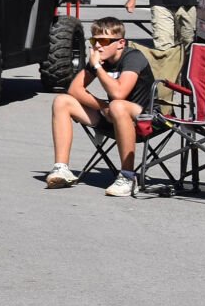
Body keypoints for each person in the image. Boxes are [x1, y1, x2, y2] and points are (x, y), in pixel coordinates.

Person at [45, 17, 154, 197]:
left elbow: (119, 93)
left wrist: (96, 67)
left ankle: (128, 177)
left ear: (120, 43)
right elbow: (74, 89)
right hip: (113, 115)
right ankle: (61, 168)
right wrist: (103, 106)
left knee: (118, 105)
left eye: (103, 41)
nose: (98, 46)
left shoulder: (133, 58)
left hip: (144, 118)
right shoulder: (102, 60)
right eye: (94, 40)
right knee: (62, 101)